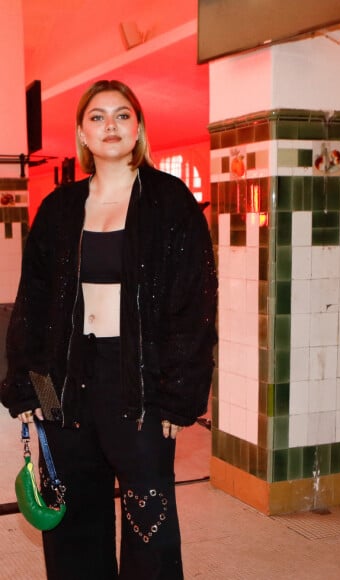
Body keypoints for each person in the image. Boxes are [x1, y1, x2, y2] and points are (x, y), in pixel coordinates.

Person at [1, 80, 218, 579]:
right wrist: (31, 387)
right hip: (62, 383)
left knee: (149, 518)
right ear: (82, 133)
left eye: (122, 115)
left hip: (138, 382)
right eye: (97, 117)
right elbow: (32, 306)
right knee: (72, 513)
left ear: (138, 127)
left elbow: (196, 303)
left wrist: (178, 395)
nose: (111, 126)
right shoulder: (58, 209)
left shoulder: (170, 202)